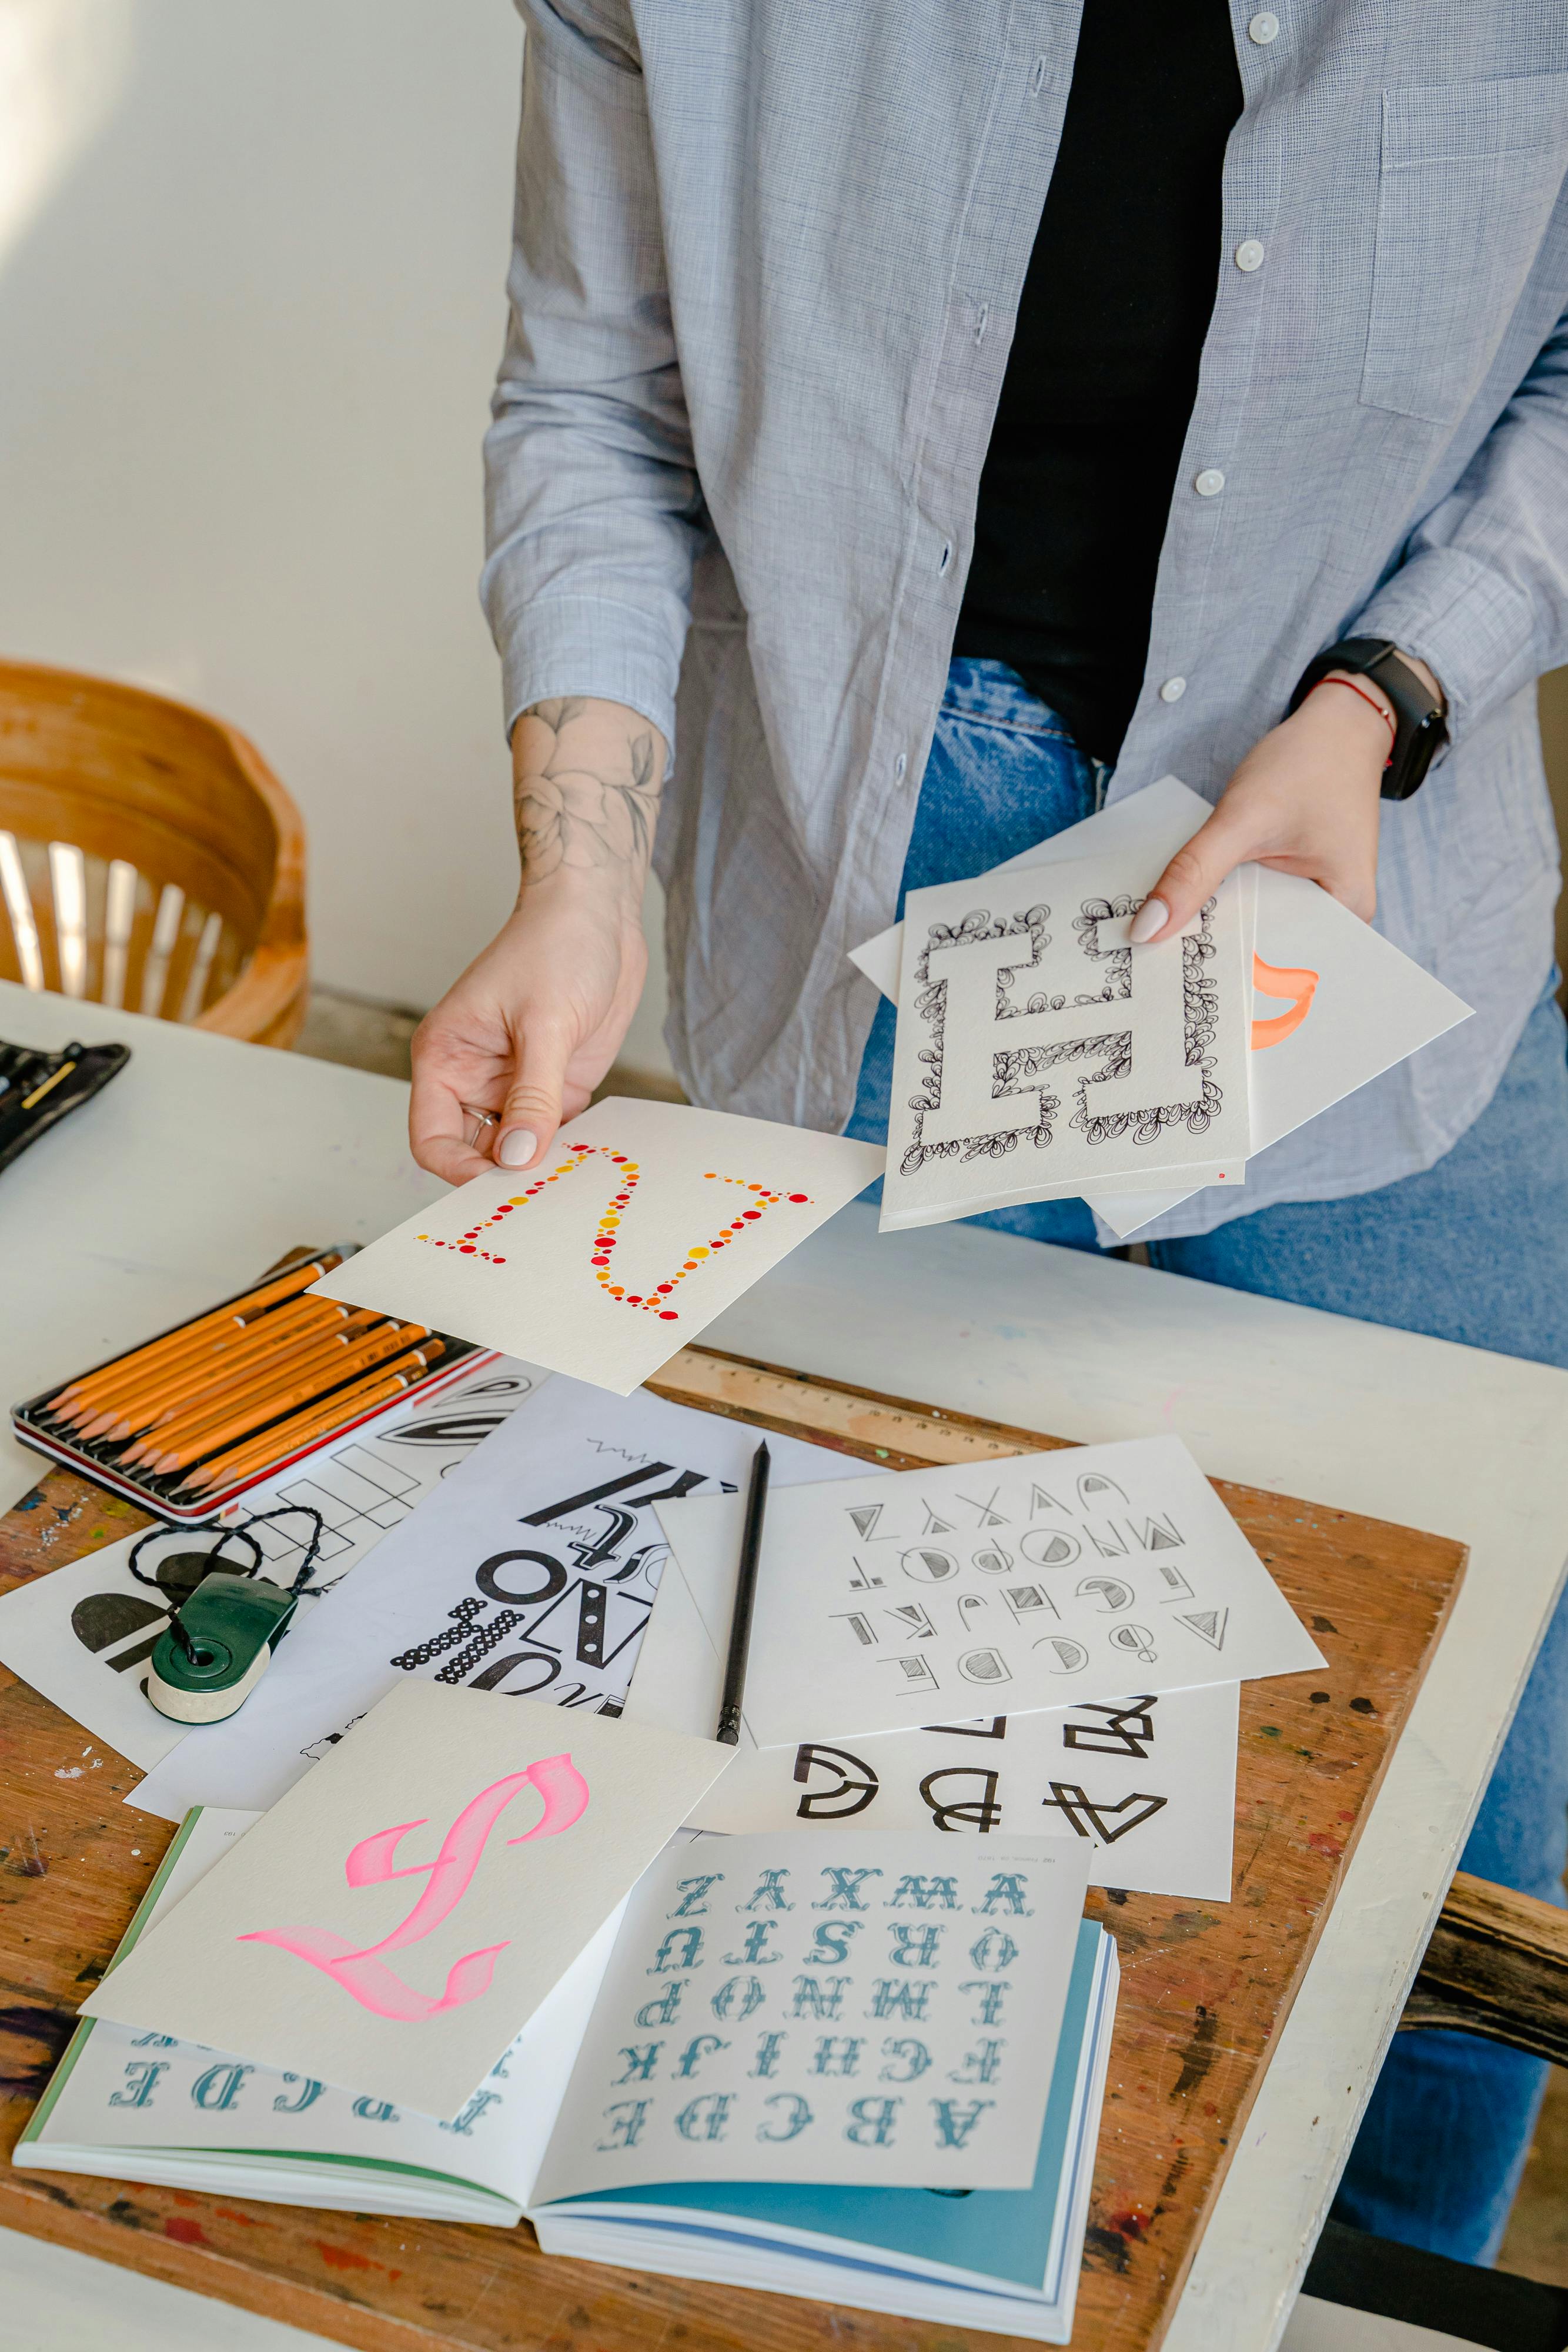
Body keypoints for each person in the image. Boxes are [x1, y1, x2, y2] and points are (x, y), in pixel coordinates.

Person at [409, 0, 1568, 2265]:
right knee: (901, 1749)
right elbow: (594, 399)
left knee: (1488, 1792)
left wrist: (1395, 683)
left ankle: (1390, 2287)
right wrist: (580, 866)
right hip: (876, 868)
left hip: (1375, 881)